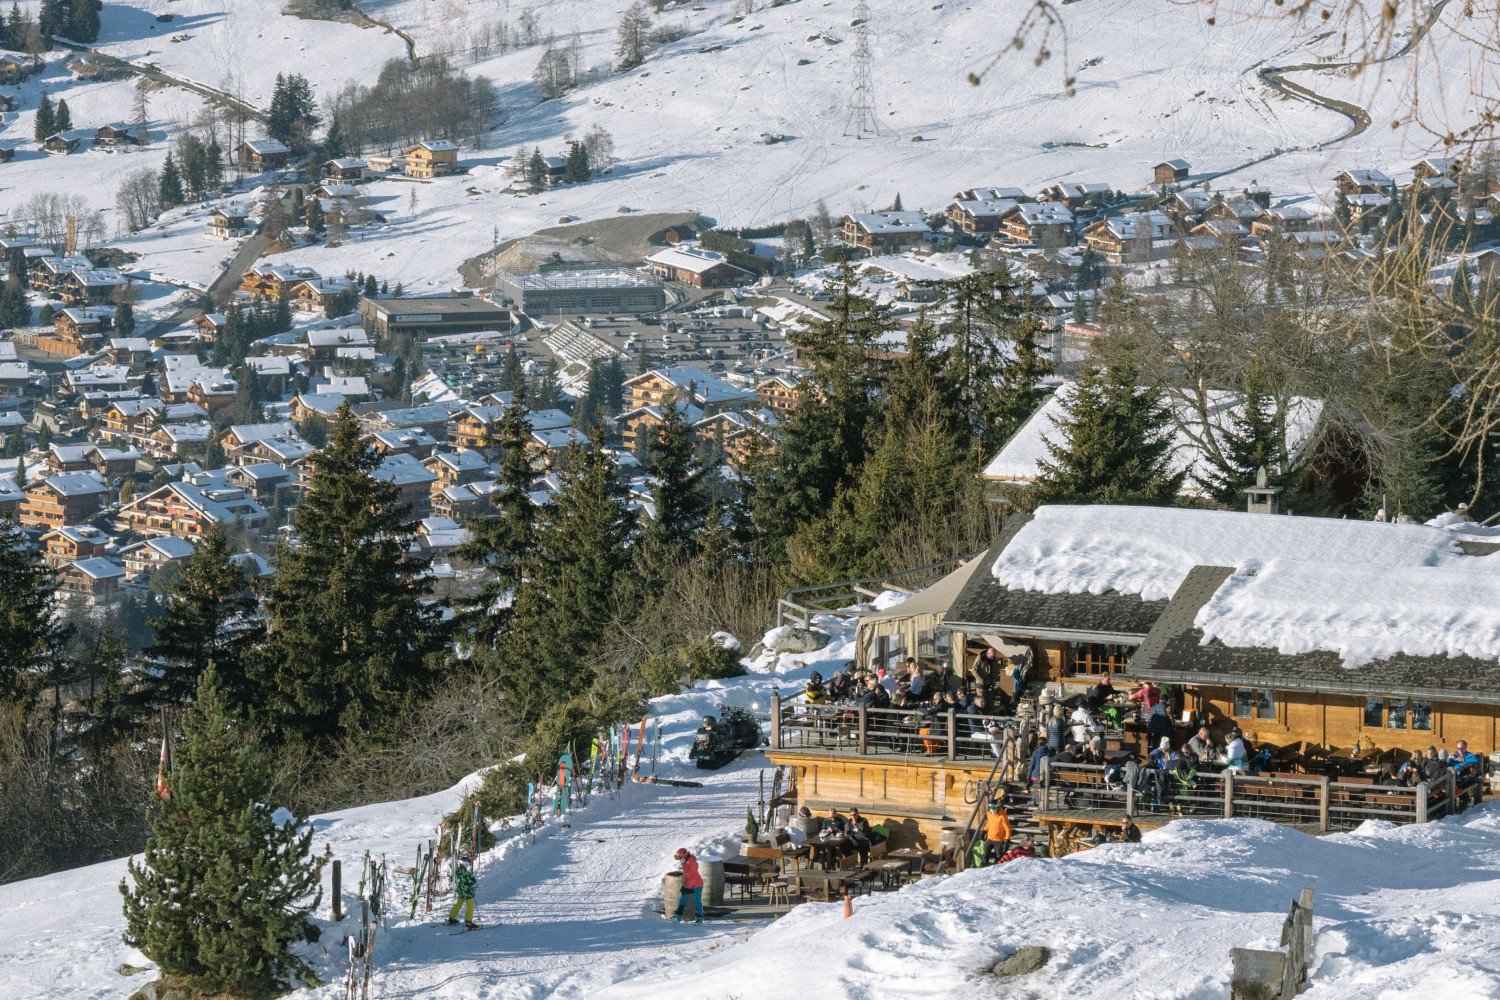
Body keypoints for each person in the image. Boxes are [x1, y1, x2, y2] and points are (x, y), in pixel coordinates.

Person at [672, 848, 704, 923]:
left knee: (697, 901)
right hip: (689, 883)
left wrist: (687, 887)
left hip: (697, 883)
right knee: (682, 900)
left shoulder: (692, 863)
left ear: (685, 855)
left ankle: (699, 918)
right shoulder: (684, 862)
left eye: (680, 858)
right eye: (679, 859)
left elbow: (694, 876)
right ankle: (677, 918)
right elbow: (687, 875)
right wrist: (686, 886)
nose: (680, 860)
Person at [447, 853, 477, 928]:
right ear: (465, 863)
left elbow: (459, 881)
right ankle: (468, 922)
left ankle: (451, 918)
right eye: (468, 864)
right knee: (470, 906)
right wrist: (473, 880)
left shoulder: (458, 871)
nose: (469, 865)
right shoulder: (465, 872)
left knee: (458, 904)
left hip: (460, 891)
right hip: (467, 892)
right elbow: (470, 881)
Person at [981, 800, 1011, 864]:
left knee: (999, 857)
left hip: (999, 840)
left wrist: (1007, 840)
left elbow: (1007, 829)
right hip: (990, 838)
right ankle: (986, 868)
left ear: (998, 808)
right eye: (991, 809)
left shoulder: (1002, 816)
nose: (992, 811)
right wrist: (984, 831)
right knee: (985, 856)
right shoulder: (989, 814)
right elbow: (989, 824)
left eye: (994, 809)